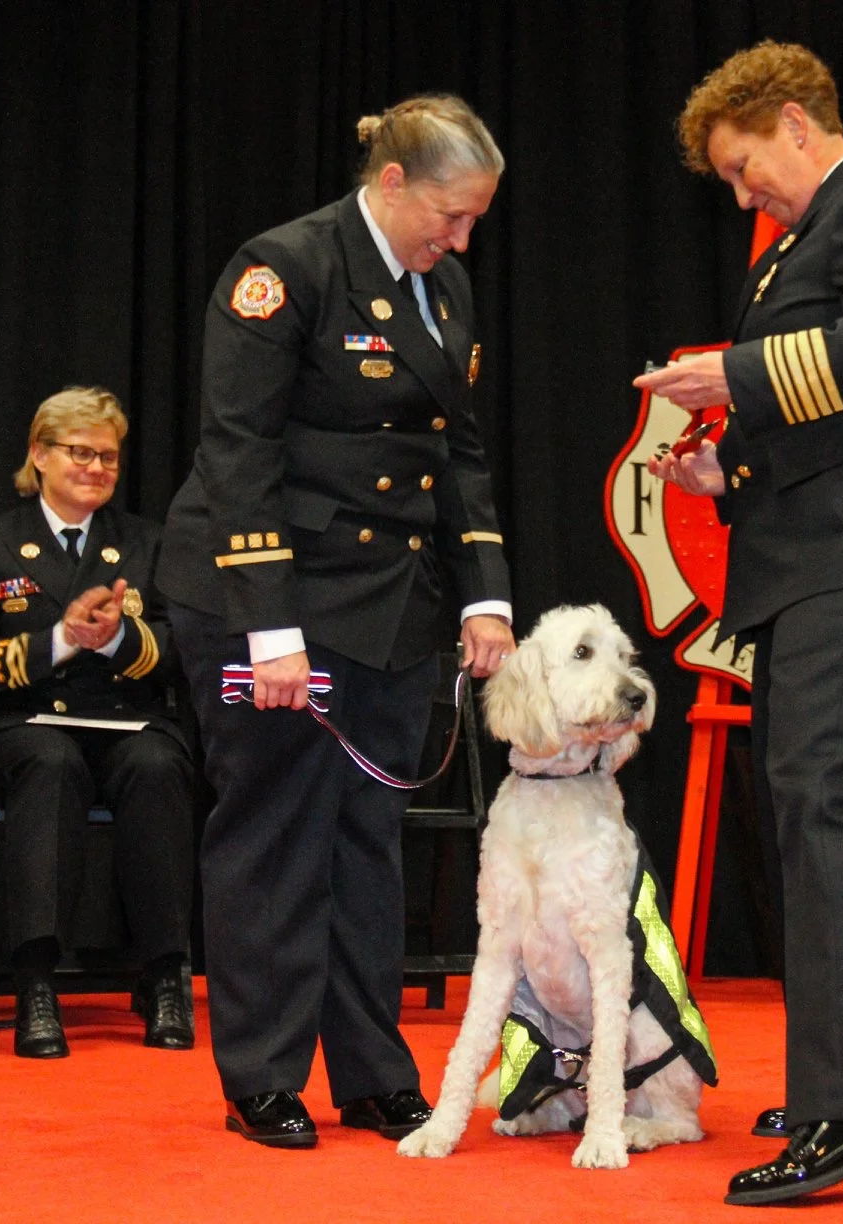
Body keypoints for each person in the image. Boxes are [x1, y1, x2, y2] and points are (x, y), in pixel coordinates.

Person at [639, 42, 843, 1206]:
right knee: (812, 816)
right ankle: (837, 1080)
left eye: (744, 170)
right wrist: (721, 473)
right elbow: (823, 414)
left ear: (793, 123)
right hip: (815, 562)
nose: (743, 197)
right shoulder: (795, 244)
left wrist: (734, 374)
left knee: (827, 811)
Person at [157, 94, 515, 1149]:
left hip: (393, 604)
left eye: (474, 222)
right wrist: (270, 630)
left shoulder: (444, 285)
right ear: (390, 182)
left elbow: (459, 450)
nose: (461, 239)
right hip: (264, 600)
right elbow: (238, 453)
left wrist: (485, 590)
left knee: (367, 838)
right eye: (448, 215)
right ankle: (264, 1075)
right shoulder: (284, 268)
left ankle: (370, 1072)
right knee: (273, 832)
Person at [0, 386, 195, 1059]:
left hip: (122, 720)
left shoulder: (147, 543)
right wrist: (62, 641)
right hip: (13, 725)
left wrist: (116, 639)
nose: (96, 468)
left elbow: (181, 652)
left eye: (108, 457)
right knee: (49, 763)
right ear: (39, 456)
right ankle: (35, 980)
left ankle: (165, 973)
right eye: (80, 453)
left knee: (159, 766)